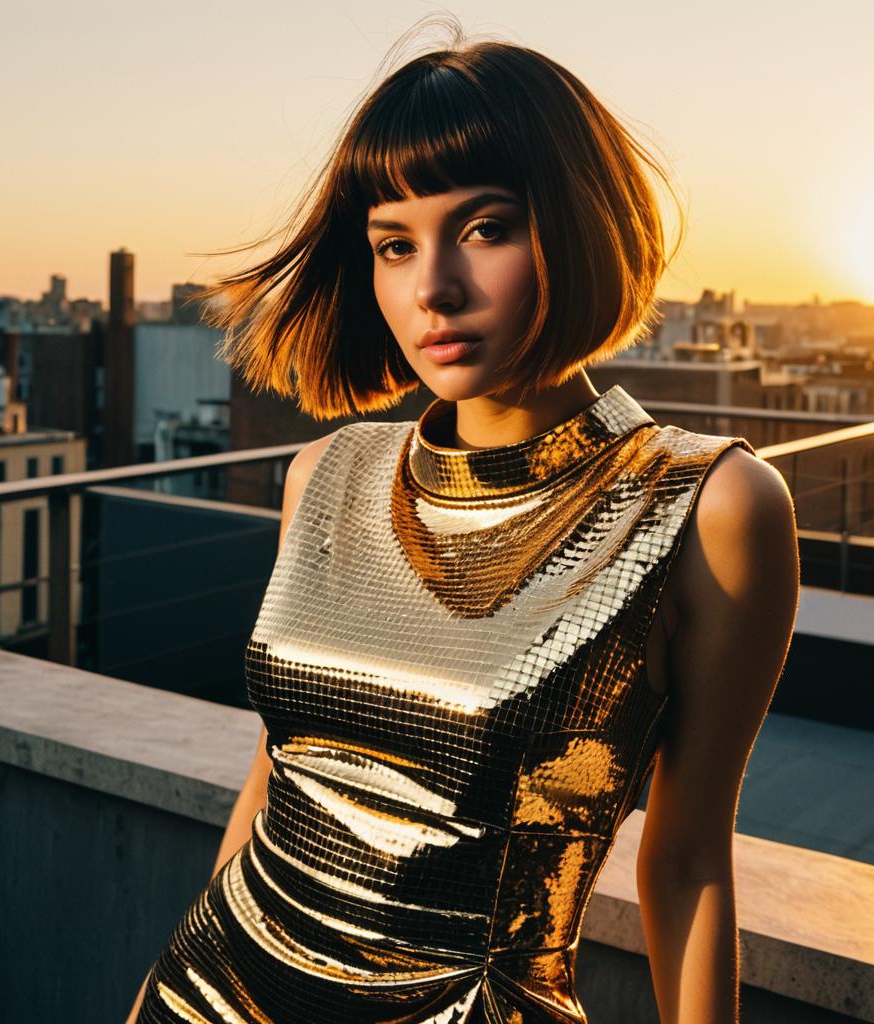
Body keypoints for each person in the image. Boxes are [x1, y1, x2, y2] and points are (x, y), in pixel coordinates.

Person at [127, 22, 799, 1024]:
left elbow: (690, 858)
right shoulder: (326, 474)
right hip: (207, 992)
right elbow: (276, 772)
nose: (432, 287)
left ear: (575, 226)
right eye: (394, 244)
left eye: (484, 228)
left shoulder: (708, 508)